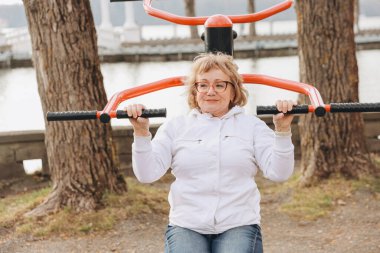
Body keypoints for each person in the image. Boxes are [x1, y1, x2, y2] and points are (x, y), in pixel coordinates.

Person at [126, 52, 296, 253]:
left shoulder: (252, 126)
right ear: (194, 91)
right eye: (203, 85)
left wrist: (283, 131)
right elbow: (147, 174)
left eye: (219, 85)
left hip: (238, 223)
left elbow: (279, 172)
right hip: (187, 224)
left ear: (233, 91)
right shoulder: (176, 127)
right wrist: (141, 132)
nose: (210, 91)